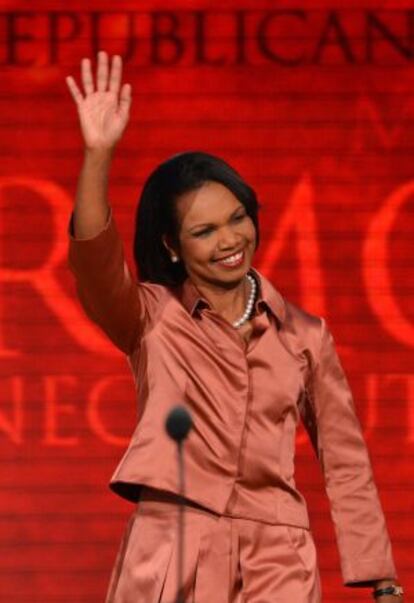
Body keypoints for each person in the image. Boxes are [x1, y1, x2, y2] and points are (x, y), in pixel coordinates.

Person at [65, 51, 404, 603]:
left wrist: (381, 578)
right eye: (204, 231)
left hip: (278, 559)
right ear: (172, 247)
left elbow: (345, 462)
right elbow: (95, 265)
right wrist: (98, 154)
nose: (230, 241)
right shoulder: (151, 316)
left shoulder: (304, 334)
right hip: (171, 546)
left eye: (238, 218)